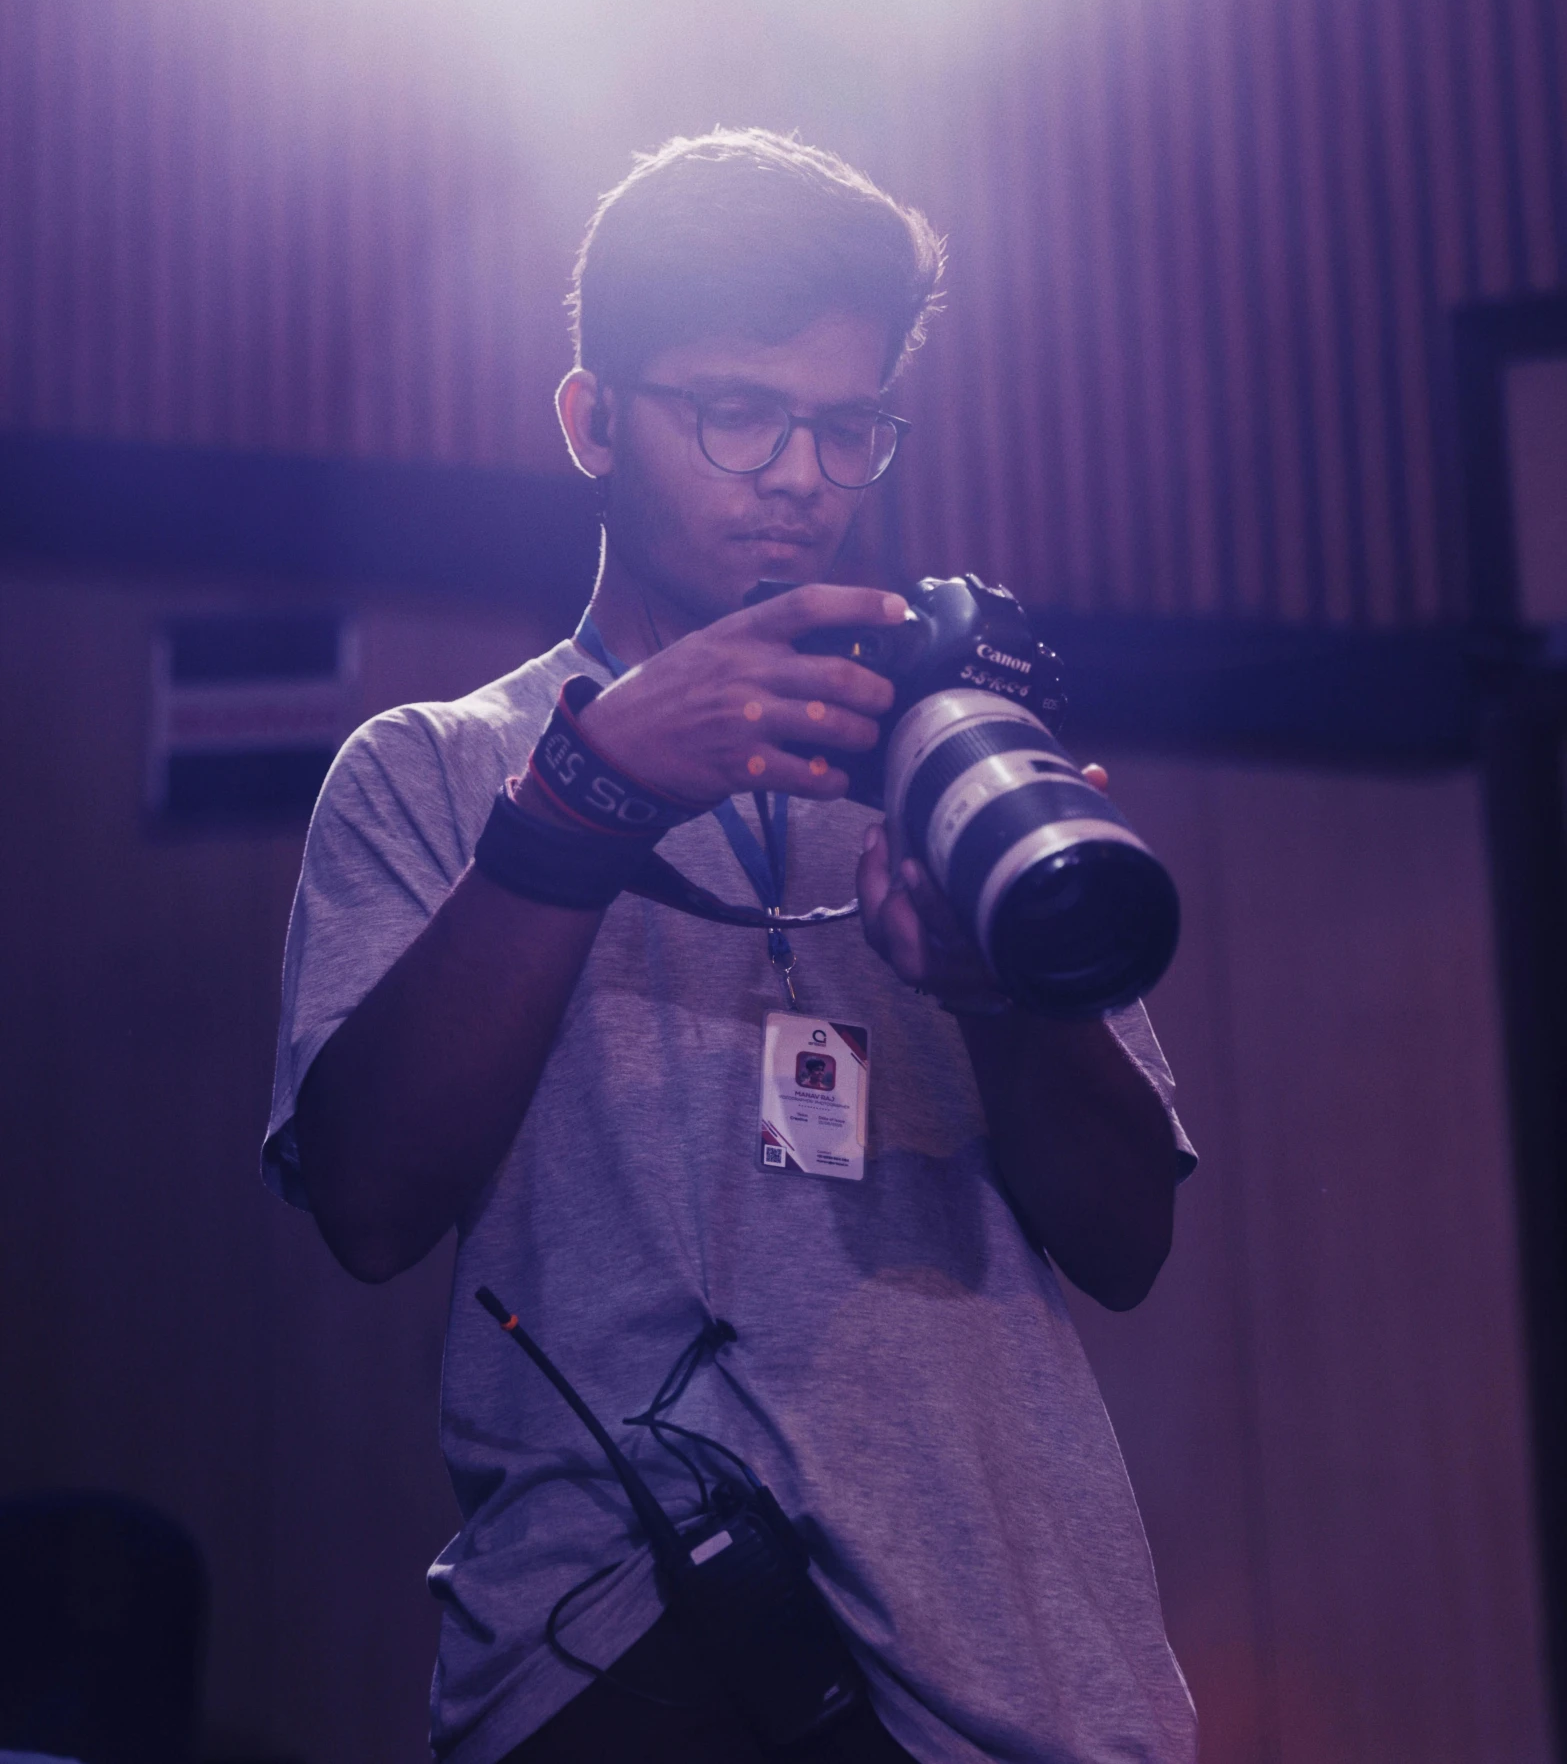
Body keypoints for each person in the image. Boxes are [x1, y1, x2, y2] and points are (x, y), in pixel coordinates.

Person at [263, 129, 1198, 1764]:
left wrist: (997, 996)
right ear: (591, 421)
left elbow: (1126, 1240)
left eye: (847, 427)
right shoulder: (433, 768)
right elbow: (366, 1198)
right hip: (616, 1652)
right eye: (737, 411)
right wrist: (591, 785)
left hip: (1018, 1671)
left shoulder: (956, 763)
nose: (799, 477)